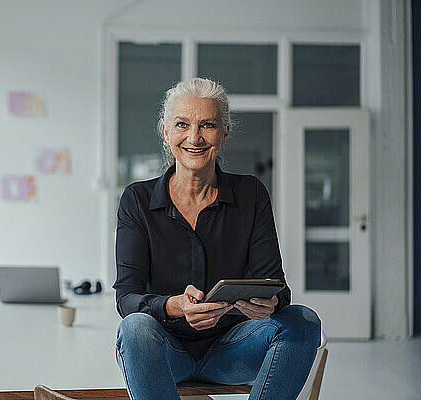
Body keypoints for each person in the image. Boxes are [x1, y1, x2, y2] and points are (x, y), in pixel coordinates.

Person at [113, 77, 321, 400]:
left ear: (224, 133)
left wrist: (270, 303)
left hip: (234, 349)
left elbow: (278, 286)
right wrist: (175, 306)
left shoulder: (251, 194)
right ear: (166, 132)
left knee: (304, 322)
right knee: (134, 329)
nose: (194, 137)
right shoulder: (136, 201)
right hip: (165, 351)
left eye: (207, 125)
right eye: (182, 124)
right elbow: (127, 298)